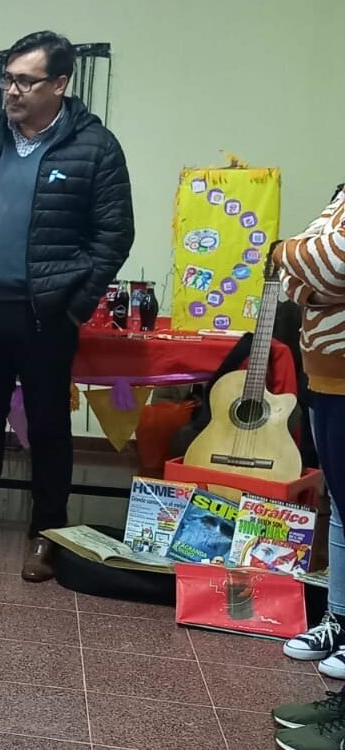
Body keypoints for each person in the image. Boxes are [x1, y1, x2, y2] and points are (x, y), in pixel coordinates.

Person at [0, 30, 135, 582]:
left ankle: (48, 534)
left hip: (46, 313)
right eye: (8, 79)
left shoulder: (95, 147)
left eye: (25, 81)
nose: (11, 91)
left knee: (47, 426)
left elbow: (114, 234)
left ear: (59, 84)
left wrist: (76, 304)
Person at [272, 186, 345, 750]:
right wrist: (306, 270)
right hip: (327, 372)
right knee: (340, 509)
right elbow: (302, 282)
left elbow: (330, 262)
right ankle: (339, 625)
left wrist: (283, 252)